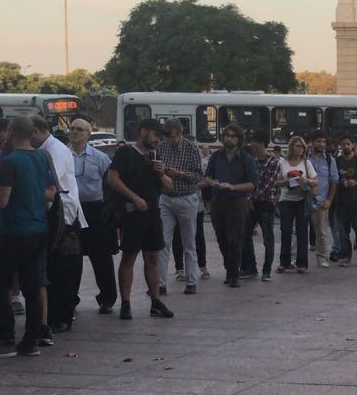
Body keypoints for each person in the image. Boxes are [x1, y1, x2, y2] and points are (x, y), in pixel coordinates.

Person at [0, 116, 56, 358]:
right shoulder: (42, 157)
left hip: (12, 231)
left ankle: (6, 338)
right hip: (38, 228)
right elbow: (48, 191)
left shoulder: (9, 162)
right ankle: (31, 340)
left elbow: (2, 200)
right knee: (32, 286)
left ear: (10, 132)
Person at [106, 117, 173, 320]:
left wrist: (161, 173)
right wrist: (134, 198)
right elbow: (112, 178)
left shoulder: (155, 157)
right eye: (155, 135)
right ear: (143, 131)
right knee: (129, 257)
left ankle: (155, 301)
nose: (157, 140)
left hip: (153, 213)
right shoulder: (126, 152)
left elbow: (170, 187)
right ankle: (125, 303)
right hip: (133, 213)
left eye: (160, 137)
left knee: (152, 258)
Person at [33, 115, 83, 337]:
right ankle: (55, 313)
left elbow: (53, 184)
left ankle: (61, 316)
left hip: (62, 215)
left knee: (61, 269)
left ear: (37, 131)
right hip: (57, 212)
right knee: (55, 268)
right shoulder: (49, 149)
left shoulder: (55, 151)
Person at [199, 124, 257, 287]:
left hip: (237, 201)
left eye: (232, 136)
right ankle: (230, 268)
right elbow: (208, 176)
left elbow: (253, 183)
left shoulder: (246, 159)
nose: (228, 138)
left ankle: (233, 274)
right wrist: (214, 183)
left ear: (238, 139)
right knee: (221, 237)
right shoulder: (217, 156)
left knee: (235, 238)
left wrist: (233, 187)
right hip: (218, 200)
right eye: (226, 136)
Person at [67, 119, 115, 313]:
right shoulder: (63, 155)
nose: (75, 132)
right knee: (71, 256)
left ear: (88, 134)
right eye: (72, 129)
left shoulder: (99, 157)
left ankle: (107, 299)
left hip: (95, 210)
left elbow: (112, 181)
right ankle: (70, 297)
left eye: (80, 130)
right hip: (73, 211)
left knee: (101, 256)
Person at [155, 119, 203, 295]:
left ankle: (191, 281)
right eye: (167, 137)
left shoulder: (191, 148)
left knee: (189, 242)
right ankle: (160, 284)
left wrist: (180, 174)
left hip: (186, 196)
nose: (170, 140)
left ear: (180, 133)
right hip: (166, 198)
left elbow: (198, 175)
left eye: (173, 137)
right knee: (163, 242)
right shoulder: (161, 147)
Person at [276, 135, 316, 273]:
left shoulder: (306, 163)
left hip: (302, 200)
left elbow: (316, 181)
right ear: (291, 147)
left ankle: (302, 263)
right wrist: (286, 182)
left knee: (302, 231)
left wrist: (306, 180)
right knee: (286, 230)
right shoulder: (283, 163)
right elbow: (277, 181)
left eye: (302, 146)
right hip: (286, 199)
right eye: (298, 146)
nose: (300, 149)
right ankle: (284, 262)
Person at [330, 137, 357, 266]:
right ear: (340, 146)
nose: (346, 146)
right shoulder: (336, 161)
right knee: (342, 230)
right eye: (343, 144)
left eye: (348, 144)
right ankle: (345, 255)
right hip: (341, 200)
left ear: (353, 145)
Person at [244, 139, 279, 282]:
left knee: (268, 239)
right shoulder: (252, 160)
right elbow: (249, 180)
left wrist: (252, 198)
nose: (252, 145)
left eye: (255, 142)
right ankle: (251, 267)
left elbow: (269, 184)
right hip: (252, 203)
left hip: (266, 203)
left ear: (262, 143)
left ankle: (267, 270)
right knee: (245, 235)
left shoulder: (274, 161)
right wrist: (249, 198)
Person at [307, 134, 339, 268]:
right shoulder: (304, 158)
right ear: (312, 142)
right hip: (303, 199)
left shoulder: (329, 160)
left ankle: (322, 257)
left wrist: (329, 200)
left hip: (321, 200)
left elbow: (334, 181)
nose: (321, 144)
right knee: (298, 231)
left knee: (321, 231)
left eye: (323, 141)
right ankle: (294, 257)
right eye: (318, 141)